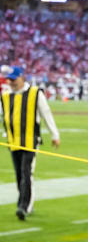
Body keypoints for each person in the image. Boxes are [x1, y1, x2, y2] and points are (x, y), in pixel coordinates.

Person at [1, 65, 60, 220]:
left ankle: (23, 206)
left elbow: (46, 113)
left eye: (14, 79)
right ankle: (26, 203)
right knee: (19, 174)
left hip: (30, 141)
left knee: (26, 172)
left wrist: (55, 134)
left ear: (22, 78)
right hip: (13, 141)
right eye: (9, 80)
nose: (11, 82)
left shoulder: (35, 93)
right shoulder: (5, 95)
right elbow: (4, 115)